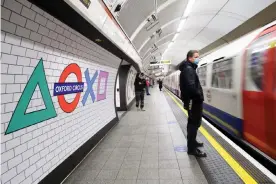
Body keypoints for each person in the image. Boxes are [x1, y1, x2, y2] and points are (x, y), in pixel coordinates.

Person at [179, 50, 207, 157]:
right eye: (196, 57)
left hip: (191, 101)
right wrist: (199, 95)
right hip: (194, 101)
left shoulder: (188, 68)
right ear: (190, 58)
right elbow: (191, 87)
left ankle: (193, 143)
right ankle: (191, 149)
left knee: (192, 123)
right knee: (194, 124)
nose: (198, 58)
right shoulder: (189, 69)